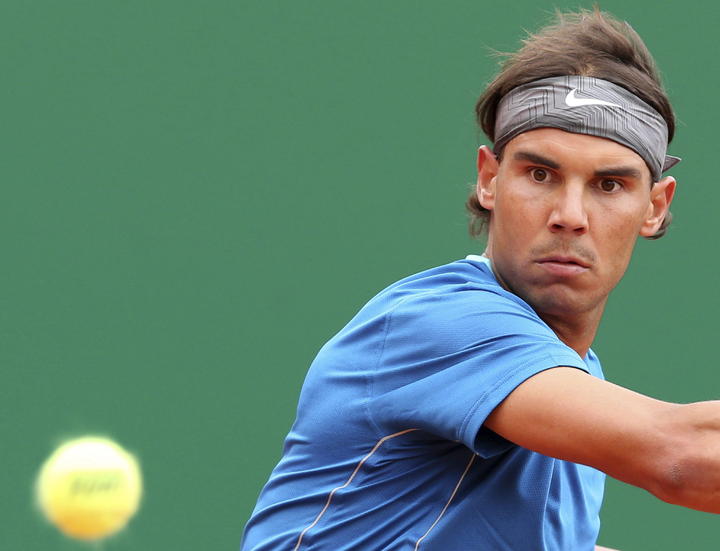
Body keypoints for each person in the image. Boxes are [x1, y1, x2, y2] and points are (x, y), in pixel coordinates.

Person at [240, 9, 708, 551]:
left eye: (608, 185)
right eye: (540, 174)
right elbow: (683, 457)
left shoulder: (578, 381)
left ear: (654, 207)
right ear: (490, 179)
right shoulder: (445, 323)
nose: (569, 215)